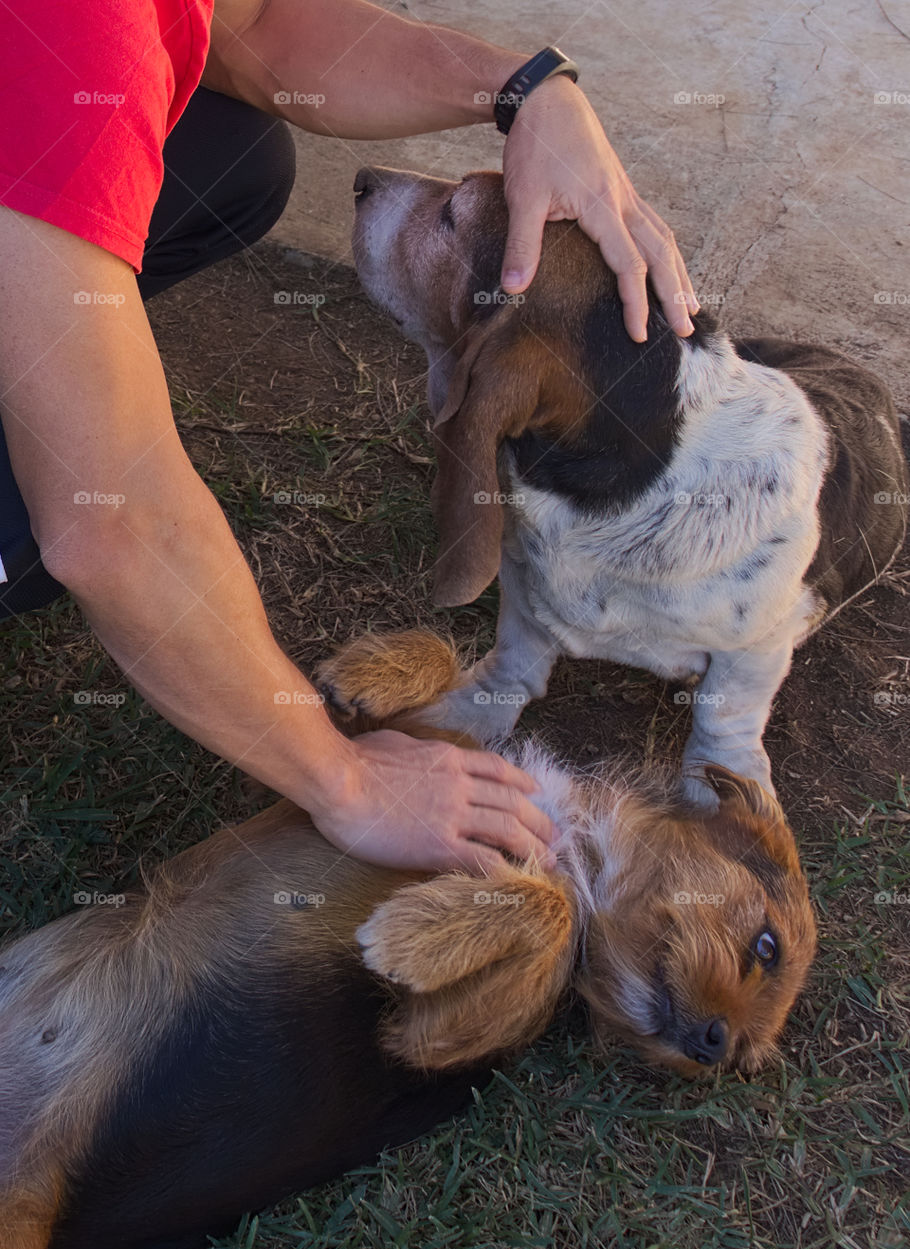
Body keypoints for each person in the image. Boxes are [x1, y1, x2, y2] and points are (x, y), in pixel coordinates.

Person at [0, 0, 698, 875]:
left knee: (234, 156)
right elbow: (114, 527)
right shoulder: (79, 29)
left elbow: (255, 30)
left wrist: (530, 90)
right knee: (51, 507)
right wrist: (344, 781)